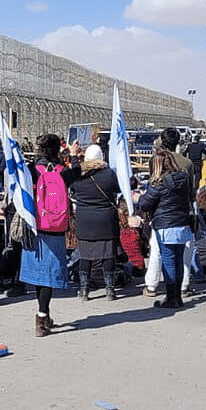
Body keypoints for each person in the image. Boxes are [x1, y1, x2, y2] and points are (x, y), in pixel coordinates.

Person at [20, 134, 77, 336]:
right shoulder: (64, 172)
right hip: (56, 227)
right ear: (57, 150)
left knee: (38, 273)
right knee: (49, 274)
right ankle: (43, 315)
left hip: (36, 225)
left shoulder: (32, 170)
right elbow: (78, 172)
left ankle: (42, 314)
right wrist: (73, 154)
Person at [137, 148, 194, 310]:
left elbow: (144, 204)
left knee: (168, 262)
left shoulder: (159, 184)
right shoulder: (184, 179)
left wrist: (139, 197)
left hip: (165, 226)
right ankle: (177, 296)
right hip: (183, 225)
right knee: (178, 261)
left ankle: (171, 298)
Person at [70, 144, 123, 301]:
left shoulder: (78, 175)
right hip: (105, 220)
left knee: (85, 257)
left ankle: (84, 291)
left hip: (84, 220)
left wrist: (73, 156)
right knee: (107, 256)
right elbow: (117, 189)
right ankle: (110, 290)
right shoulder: (109, 174)